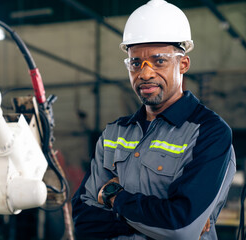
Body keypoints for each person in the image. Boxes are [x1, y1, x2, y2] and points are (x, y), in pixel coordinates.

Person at [71, 0, 236, 239]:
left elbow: (180, 228)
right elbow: (83, 220)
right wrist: (158, 221)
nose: (145, 73)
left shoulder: (209, 132)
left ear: (183, 64)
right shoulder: (114, 133)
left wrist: (112, 196)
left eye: (159, 61)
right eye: (136, 63)